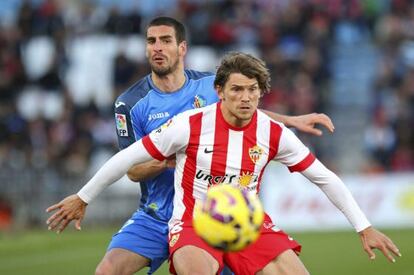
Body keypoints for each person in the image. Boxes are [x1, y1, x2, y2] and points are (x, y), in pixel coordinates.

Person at [47, 52, 401, 275]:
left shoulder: (273, 133)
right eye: (236, 90)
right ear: (220, 91)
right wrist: (83, 197)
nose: (245, 97)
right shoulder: (190, 125)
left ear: (261, 92)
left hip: (250, 226)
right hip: (192, 225)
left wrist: (364, 227)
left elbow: (324, 178)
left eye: (252, 90)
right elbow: (128, 156)